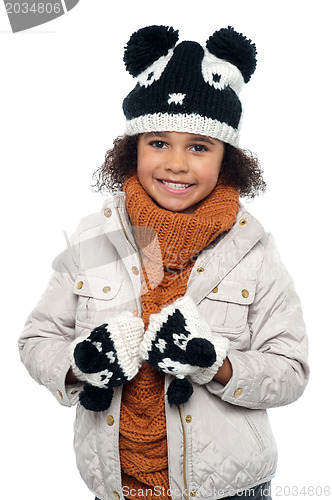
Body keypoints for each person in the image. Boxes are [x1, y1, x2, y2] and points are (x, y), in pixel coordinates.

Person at [18, 25, 309, 500]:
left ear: (226, 158)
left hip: (230, 488)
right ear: (132, 149)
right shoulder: (95, 237)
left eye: (198, 146)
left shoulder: (254, 250)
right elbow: (37, 339)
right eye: (158, 142)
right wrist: (81, 363)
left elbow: (291, 369)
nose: (176, 163)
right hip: (118, 486)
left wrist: (216, 364)